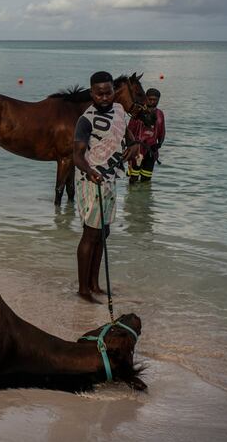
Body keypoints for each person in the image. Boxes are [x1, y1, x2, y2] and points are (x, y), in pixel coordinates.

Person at [72, 71, 140, 303]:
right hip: (90, 181)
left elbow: (128, 136)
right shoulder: (86, 120)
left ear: (114, 91)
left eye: (108, 92)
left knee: (103, 233)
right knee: (90, 234)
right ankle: (83, 290)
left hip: (110, 179)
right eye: (99, 94)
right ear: (92, 93)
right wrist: (90, 171)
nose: (104, 97)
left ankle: (95, 285)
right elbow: (77, 156)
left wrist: (134, 145)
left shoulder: (120, 111)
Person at [127, 87, 165, 183]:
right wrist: (130, 146)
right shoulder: (138, 112)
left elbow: (162, 131)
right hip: (137, 150)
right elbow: (129, 130)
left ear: (158, 100)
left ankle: (145, 197)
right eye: (150, 99)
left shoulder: (160, 113)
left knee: (146, 179)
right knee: (134, 178)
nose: (152, 102)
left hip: (151, 150)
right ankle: (133, 197)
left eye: (155, 100)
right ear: (146, 98)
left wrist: (159, 144)